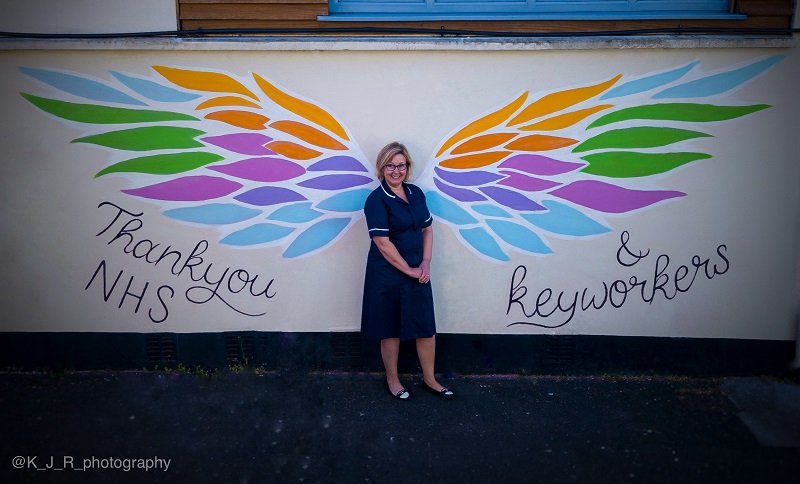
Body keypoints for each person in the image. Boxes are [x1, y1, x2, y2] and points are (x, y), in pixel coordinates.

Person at [361, 141, 455, 401]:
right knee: (390, 329)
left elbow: (427, 229)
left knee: (425, 326)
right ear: (382, 168)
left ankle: (430, 380)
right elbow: (382, 243)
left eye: (401, 165)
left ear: (407, 167)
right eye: (390, 166)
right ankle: (392, 380)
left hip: (417, 269)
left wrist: (425, 262)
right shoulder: (376, 200)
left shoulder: (416, 193)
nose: (396, 171)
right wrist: (409, 270)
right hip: (387, 273)